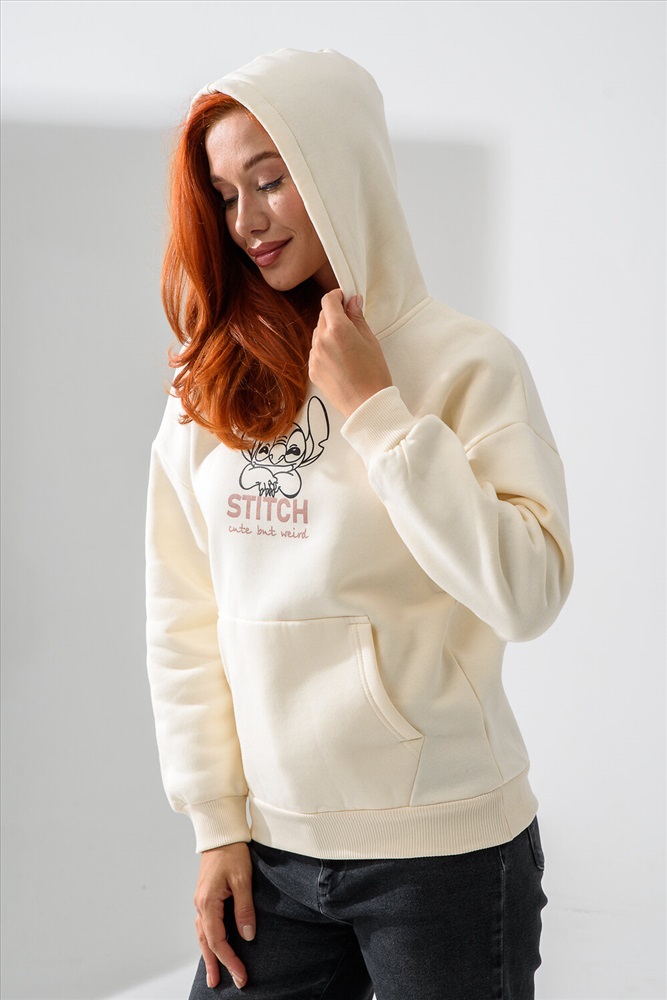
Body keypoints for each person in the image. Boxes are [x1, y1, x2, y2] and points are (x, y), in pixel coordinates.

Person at [146, 48, 574, 999]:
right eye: (225, 195)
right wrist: (216, 823)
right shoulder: (210, 380)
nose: (247, 221)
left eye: (271, 180)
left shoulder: (467, 365)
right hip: (268, 855)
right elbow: (183, 617)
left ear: (341, 167)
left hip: (444, 856)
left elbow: (528, 592)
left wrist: (378, 415)